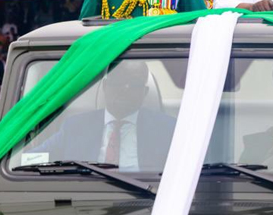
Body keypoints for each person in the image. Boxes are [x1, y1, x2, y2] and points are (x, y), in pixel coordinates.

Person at [31, 61, 176, 171]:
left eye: (134, 84)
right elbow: (32, 159)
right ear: (106, 86)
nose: (125, 90)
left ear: (144, 92)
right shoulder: (75, 127)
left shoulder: (168, 130)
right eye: (119, 82)